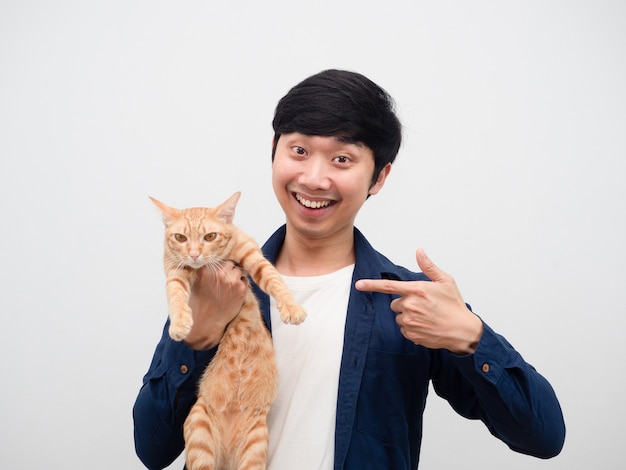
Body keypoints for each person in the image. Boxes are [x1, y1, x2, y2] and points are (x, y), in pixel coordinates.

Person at [133, 69, 565, 469]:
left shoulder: (410, 301)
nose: (315, 178)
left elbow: (543, 437)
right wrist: (200, 335)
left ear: (379, 177)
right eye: (299, 150)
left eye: (342, 160)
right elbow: (152, 448)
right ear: (273, 153)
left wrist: (471, 337)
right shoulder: (217, 284)